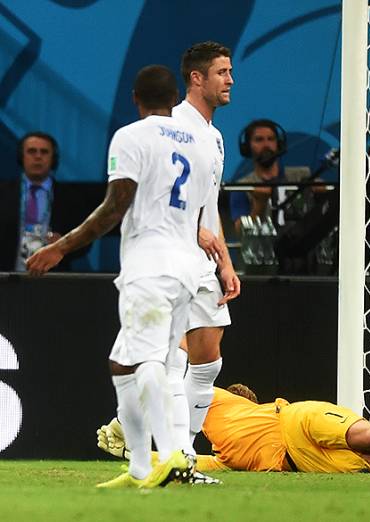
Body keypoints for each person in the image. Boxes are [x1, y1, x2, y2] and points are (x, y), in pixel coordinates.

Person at [28, 64, 228, 488]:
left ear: (135, 98)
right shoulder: (199, 141)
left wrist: (60, 247)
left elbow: (115, 207)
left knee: (150, 359)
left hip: (150, 265)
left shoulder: (131, 136)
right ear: (173, 98)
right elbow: (199, 212)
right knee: (123, 362)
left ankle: (174, 454)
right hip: (186, 267)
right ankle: (139, 466)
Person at [97, 384, 370, 474]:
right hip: (301, 461)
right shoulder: (224, 458)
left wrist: (128, 420)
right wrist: (133, 451)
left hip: (297, 419)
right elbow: (181, 465)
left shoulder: (221, 401)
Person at [170, 41, 241, 470]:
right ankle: (171, 449)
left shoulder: (214, 136)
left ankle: (186, 449)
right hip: (172, 253)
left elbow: (209, 203)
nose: (230, 80)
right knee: (172, 351)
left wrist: (226, 262)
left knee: (208, 359)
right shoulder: (172, 126)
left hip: (203, 260)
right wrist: (192, 228)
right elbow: (156, 192)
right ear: (197, 79)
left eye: (230, 72)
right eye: (222, 72)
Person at [0, 132, 89, 271]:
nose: (38, 156)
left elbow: (86, 241)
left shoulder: (71, 198)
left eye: (44, 152)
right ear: (21, 157)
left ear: (53, 158)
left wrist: (66, 246)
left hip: (54, 280)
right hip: (7, 278)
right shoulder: (3, 193)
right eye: (31, 151)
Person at [228, 119, 311, 233]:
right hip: (263, 248)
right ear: (247, 147)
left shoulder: (301, 176)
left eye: (271, 139)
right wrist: (259, 204)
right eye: (259, 140)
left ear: (279, 144)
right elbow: (241, 232)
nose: (266, 145)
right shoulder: (242, 187)